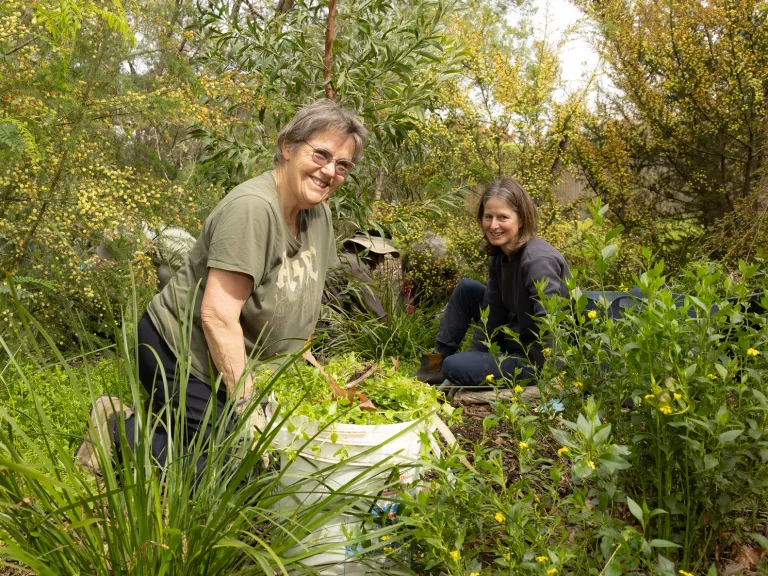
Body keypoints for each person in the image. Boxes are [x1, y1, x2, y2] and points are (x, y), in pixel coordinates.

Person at [75, 100, 368, 473]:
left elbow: (299, 301)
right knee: (234, 470)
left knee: (274, 458)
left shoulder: (319, 213)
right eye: (322, 154)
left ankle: (172, 421)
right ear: (288, 147)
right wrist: (247, 409)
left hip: (233, 364)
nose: (330, 171)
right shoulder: (253, 210)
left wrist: (315, 374)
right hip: (180, 353)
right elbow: (216, 316)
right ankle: (117, 429)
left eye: (342, 165)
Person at [414, 178, 570, 388]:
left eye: (502, 217)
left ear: (521, 219)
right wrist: (475, 361)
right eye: (489, 217)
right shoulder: (500, 256)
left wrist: (554, 375)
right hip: (514, 333)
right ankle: (431, 370)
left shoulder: (537, 261)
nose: (493, 225)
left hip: (534, 359)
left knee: (454, 366)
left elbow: (551, 323)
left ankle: (450, 368)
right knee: (467, 289)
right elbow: (492, 313)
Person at [322, 232, 399, 320]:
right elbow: (376, 313)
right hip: (322, 323)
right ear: (369, 251)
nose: (382, 260)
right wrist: (393, 331)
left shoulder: (340, 258)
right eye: (381, 255)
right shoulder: (355, 266)